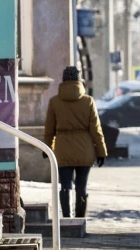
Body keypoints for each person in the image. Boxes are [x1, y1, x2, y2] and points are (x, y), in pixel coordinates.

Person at [44, 66, 107, 218]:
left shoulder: (55, 102)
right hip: (85, 150)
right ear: (80, 81)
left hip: (63, 149)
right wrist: (101, 151)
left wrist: (46, 148)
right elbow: (96, 129)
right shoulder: (88, 101)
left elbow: (49, 128)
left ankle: (66, 218)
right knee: (81, 187)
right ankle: (80, 219)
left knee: (65, 185)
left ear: (63, 81)